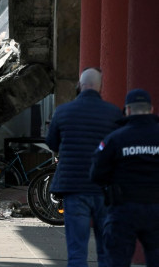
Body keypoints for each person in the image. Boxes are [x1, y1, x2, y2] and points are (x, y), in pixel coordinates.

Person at [45, 67, 121, 267]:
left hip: (74, 188)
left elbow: (52, 143)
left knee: (77, 250)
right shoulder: (113, 113)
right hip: (103, 190)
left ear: (79, 85)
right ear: (99, 87)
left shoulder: (63, 111)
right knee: (106, 250)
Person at [91, 88, 159, 267]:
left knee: (117, 260)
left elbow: (96, 174)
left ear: (127, 110)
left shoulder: (115, 139)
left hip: (123, 209)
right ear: (151, 109)